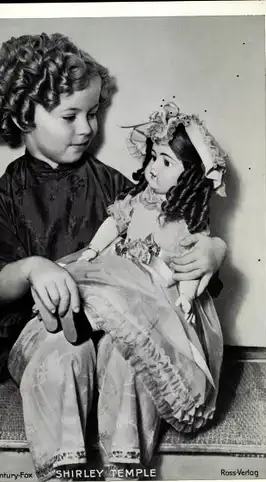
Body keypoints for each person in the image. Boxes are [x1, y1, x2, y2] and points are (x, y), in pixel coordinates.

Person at [0, 33, 227, 481]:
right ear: (22, 116)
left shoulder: (111, 184)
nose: (87, 128)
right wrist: (32, 268)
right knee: (62, 355)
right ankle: (65, 475)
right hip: (41, 327)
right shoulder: (4, 198)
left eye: (92, 113)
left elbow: (165, 228)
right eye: (70, 115)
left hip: (114, 329)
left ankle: (125, 470)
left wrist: (213, 250)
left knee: (132, 354)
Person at [58, 101, 226, 442]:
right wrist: (91, 250)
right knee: (91, 280)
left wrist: (187, 298)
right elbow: (113, 224)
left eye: (166, 162)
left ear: (190, 175)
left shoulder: (186, 220)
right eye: (153, 158)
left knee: (143, 328)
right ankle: (80, 319)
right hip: (121, 269)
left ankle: (89, 324)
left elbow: (191, 266)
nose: (153, 169)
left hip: (158, 288)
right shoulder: (138, 199)